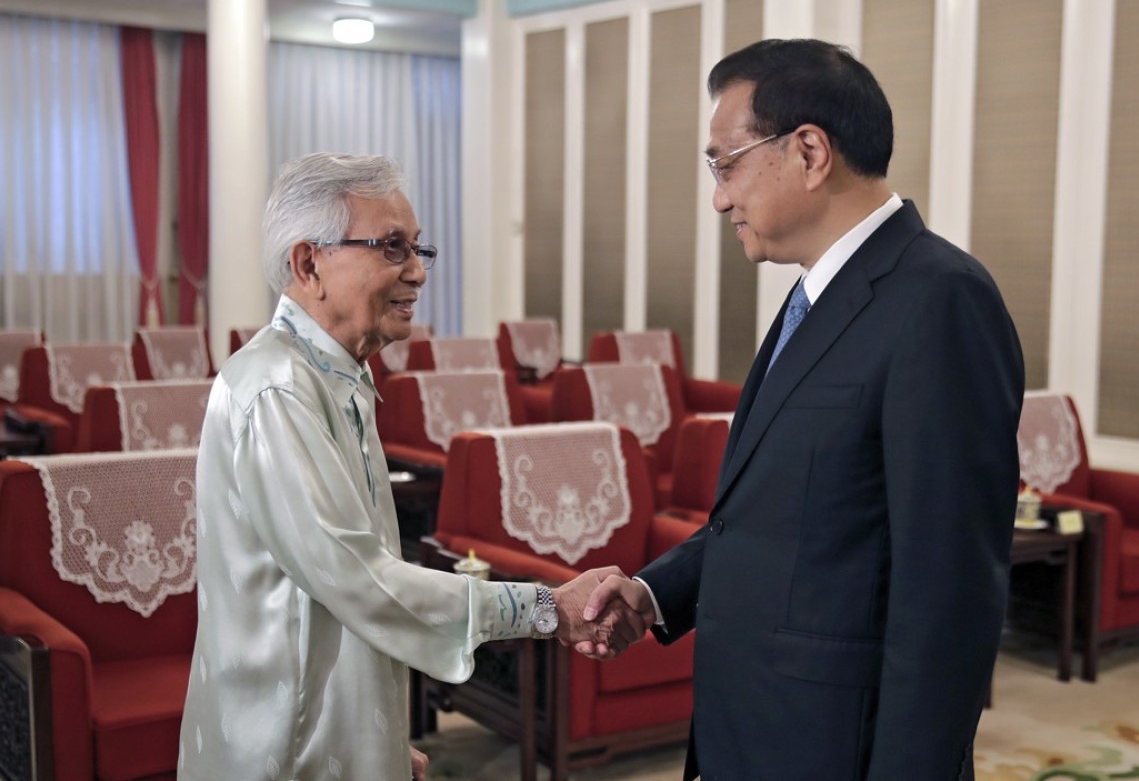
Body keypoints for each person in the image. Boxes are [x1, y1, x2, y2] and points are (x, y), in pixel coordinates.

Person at [582, 39, 1025, 781]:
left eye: (725, 163)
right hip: (752, 726)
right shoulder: (815, 294)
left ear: (810, 152)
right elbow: (781, 518)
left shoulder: (941, 299)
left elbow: (949, 594)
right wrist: (655, 593)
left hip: (837, 745)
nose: (720, 195)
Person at [177, 153, 633, 781]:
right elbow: (360, 581)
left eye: (420, 249)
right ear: (309, 263)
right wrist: (545, 607)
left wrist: (379, 737)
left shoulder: (339, 373)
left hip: (332, 736)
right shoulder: (277, 388)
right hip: (285, 748)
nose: (418, 273)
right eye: (392, 248)